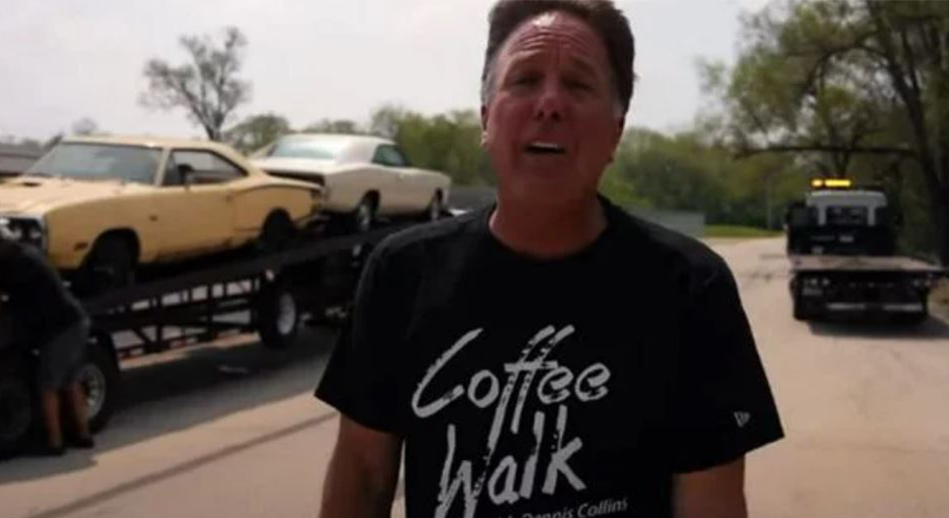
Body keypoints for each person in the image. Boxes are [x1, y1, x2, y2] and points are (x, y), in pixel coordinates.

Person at [315, 1, 783, 517]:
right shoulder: (403, 274)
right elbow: (362, 475)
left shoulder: (691, 289)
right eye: (525, 79)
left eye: (580, 85)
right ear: (487, 118)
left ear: (616, 132)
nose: (550, 104)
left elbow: (710, 504)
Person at [0, 228, 95, 455]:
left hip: (60, 330)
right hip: (76, 320)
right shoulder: (29, 254)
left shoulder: (16, 266)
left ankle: (54, 442)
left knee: (47, 386)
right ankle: (83, 435)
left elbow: (14, 303)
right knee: (71, 382)